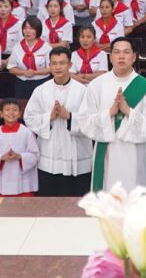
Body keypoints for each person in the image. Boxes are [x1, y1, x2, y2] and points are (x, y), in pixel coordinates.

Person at [78, 36, 146, 191]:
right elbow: (84, 121)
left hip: (135, 152)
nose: (121, 56)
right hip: (107, 151)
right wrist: (110, 112)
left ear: (134, 57)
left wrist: (127, 111)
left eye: (126, 52)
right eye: (116, 52)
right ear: (110, 57)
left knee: (133, 194)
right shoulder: (97, 85)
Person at [23, 47, 94, 196]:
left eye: (62, 63)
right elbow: (29, 117)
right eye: (54, 63)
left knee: (76, 201)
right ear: (49, 65)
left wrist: (69, 116)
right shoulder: (41, 90)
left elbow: (91, 121)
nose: (58, 67)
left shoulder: (83, 91)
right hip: (50, 155)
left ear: (70, 65)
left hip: (76, 155)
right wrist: (48, 117)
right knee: (49, 201)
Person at [0, 100, 39, 197]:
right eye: (7, 110)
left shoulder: (27, 133)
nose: (11, 113)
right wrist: (1, 158)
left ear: (20, 113)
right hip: (1, 184)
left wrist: (19, 156)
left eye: (14, 110)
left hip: (23, 183)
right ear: (1, 113)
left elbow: (35, 156)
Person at [8, 16, 51, 98]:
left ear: (38, 30)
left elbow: (50, 68)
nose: (27, 31)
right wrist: (24, 72)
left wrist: (34, 72)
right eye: (25, 28)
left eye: (31, 28)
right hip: (22, 84)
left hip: (41, 82)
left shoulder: (46, 47)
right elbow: (11, 68)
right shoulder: (17, 47)